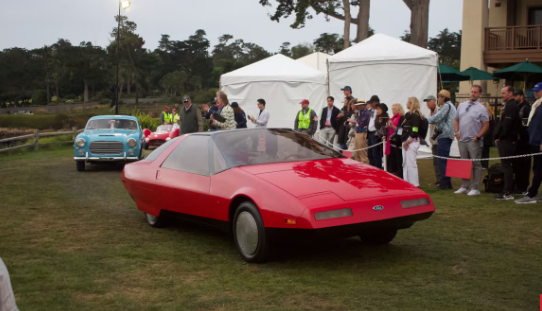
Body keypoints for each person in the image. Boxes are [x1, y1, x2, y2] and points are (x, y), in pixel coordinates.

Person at [454, 85, 490, 196]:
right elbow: (456, 119)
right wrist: (457, 132)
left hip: (474, 140)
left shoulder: (481, 108)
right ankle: (464, 186)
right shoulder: (461, 105)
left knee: (476, 163)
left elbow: (486, 124)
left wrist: (478, 136)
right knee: (464, 163)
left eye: (475, 92)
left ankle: (475, 187)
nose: (473, 94)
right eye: (472, 91)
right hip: (462, 139)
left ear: (479, 94)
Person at [425, 90, 457, 190]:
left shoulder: (446, 106)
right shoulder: (451, 106)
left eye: (439, 97)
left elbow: (437, 118)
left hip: (444, 135)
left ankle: (444, 183)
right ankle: (448, 182)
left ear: (443, 98)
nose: (438, 99)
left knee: (441, 160)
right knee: (445, 160)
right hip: (449, 135)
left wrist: (424, 119)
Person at [516, 82, 542, 204]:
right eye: (535, 90)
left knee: (538, 169)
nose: (536, 92)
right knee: (537, 168)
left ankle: (532, 194)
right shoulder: (537, 105)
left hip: (539, 141)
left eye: (538, 90)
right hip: (534, 140)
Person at [494, 86, 521, 200]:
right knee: (507, 166)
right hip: (507, 139)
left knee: (507, 166)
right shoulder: (509, 105)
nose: (502, 95)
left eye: (504, 93)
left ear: (510, 93)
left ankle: (507, 191)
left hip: (508, 140)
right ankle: (507, 189)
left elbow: (507, 124)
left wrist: (500, 137)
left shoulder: (511, 106)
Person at [512, 89, 532, 194]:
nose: (514, 98)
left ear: (521, 96)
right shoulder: (515, 108)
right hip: (516, 141)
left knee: (524, 165)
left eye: (516, 96)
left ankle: (523, 186)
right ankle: (517, 184)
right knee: (516, 165)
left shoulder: (526, 108)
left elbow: (525, 126)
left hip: (524, 142)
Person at [401, 97, 422, 187]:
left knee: (411, 164)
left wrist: (408, 141)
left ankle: (414, 184)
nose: (406, 103)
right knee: (405, 163)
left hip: (412, 142)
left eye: (408, 102)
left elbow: (415, 130)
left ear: (412, 103)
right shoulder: (408, 115)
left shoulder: (415, 116)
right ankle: (407, 182)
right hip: (406, 141)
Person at [348, 98, 371, 164]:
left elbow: (361, 124)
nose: (359, 106)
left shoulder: (366, 113)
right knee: (356, 153)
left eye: (361, 105)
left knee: (362, 153)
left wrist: (357, 118)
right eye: (358, 105)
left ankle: (366, 168)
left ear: (364, 105)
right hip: (357, 132)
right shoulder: (360, 112)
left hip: (362, 133)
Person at [424, 94, 441, 186]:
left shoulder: (439, 111)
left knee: (440, 161)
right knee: (435, 161)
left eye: (429, 101)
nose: (427, 103)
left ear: (435, 101)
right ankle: (438, 179)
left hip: (439, 140)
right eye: (427, 102)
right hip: (433, 141)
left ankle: (442, 179)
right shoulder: (429, 114)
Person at [386, 104, 405, 178]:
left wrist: (392, 126)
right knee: (392, 158)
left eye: (394, 109)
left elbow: (400, 129)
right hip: (391, 140)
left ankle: (399, 174)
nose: (393, 111)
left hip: (397, 141)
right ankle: (393, 172)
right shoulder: (393, 118)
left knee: (398, 159)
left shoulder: (401, 117)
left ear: (399, 109)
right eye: (392, 109)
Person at [367, 95, 383, 169]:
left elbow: (383, 123)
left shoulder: (380, 111)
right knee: (370, 153)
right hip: (370, 133)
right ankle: (372, 167)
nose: (370, 104)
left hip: (375, 134)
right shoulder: (371, 111)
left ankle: (377, 168)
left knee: (375, 153)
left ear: (376, 102)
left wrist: (378, 131)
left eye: (371, 102)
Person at [481, 102, 496, 170]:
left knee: (485, 151)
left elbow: (490, 128)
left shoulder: (490, 117)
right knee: (482, 151)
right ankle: (482, 164)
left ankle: (484, 165)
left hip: (486, 136)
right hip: (483, 135)